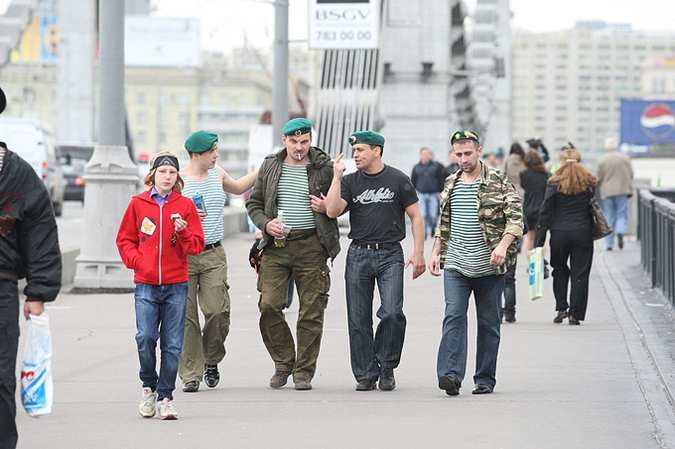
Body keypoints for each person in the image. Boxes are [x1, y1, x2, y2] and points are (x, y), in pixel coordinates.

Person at [325, 130, 426, 392]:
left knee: (392, 312)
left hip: (391, 254)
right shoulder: (350, 181)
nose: (355, 155)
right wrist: (336, 177)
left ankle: (387, 365)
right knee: (358, 318)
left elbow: (416, 215)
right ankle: (366, 373)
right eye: (354, 151)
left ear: (376, 151)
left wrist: (418, 252)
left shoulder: (398, 179)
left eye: (360, 150)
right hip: (358, 253)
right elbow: (333, 210)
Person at [245, 118, 340, 391]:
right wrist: (265, 224)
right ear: (284, 141)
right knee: (270, 305)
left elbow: (340, 205)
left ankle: (303, 372)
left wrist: (326, 206)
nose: (299, 147)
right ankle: (283, 362)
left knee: (311, 310)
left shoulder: (325, 167)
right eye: (294, 142)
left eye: (304, 142)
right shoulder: (271, 165)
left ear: (311, 140)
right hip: (277, 247)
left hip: (312, 246)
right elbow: (254, 202)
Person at [428, 130, 523, 396]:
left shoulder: (498, 180)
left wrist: (503, 246)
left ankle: (484, 378)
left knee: (489, 323)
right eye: (458, 154)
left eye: (468, 153)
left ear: (479, 151)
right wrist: (436, 251)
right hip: (456, 264)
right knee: (453, 317)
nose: (463, 159)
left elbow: (516, 219)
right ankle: (450, 375)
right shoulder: (450, 182)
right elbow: (443, 224)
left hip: (490, 268)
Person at [116, 151, 205, 420]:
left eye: (172, 173)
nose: (167, 177)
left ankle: (165, 396)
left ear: (178, 178)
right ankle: (148, 387)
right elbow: (124, 240)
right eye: (163, 172)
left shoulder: (186, 206)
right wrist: (138, 262)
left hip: (176, 284)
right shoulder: (138, 203)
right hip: (146, 284)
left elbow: (197, 247)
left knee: (173, 344)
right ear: (153, 175)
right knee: (145, 338)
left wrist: (183, 231)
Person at [0, 86, 61, 449]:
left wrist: (38, 292)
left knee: (1, 377)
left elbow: (40, 231)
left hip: (2, 288)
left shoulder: (16, 172)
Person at [178, 131, 257, 393]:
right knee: (186, 317)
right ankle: (191, 372)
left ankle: (211, 358)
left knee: (217, 311)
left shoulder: (218, 173)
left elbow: (238, 187)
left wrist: (263, 168)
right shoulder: (177, 180)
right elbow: (161, 212)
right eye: (212, 151)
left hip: (213, 253)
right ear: (196, 155)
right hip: (183, 256)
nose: (216, 155)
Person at [534, 147, 596, 325]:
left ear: (561, 162)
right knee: (581, 273)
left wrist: (539, 241)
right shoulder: (589, 182)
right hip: (583, 232)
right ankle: (575, 314)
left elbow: (545, 212)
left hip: (559, 233)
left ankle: (562, 307)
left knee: (559, 269)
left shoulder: (554, 182)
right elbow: (593, 207)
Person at [595, 137, 634, 251]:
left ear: (606, 148)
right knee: (622, 214)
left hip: (607, 191)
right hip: (622, 190)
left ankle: (609, 244)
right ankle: (621, 231)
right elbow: (631, 173)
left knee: (609, 216)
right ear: (616, 147)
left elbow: (598, 177)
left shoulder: (601, 160)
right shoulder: (625, 158)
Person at [411, 147, 446, 239]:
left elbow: (440, 180)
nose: (426, 156)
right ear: (420, 155)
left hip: (433, 193)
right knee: (423, 214)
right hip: (421, 193)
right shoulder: (416, 167)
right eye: (424, 154)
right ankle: (424, 233)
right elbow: (413, 181)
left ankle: (433, 227)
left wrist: (440, 192)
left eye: (427, 154)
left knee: (433, 215)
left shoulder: (436, 167)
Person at [520, 150, 550, 251]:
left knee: (529, 237)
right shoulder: (545, 175)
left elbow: (523, 187)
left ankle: (531, 264)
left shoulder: (523, 175)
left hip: (528, 208)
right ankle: (540, 261)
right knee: (542, 237)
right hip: (542, 208)